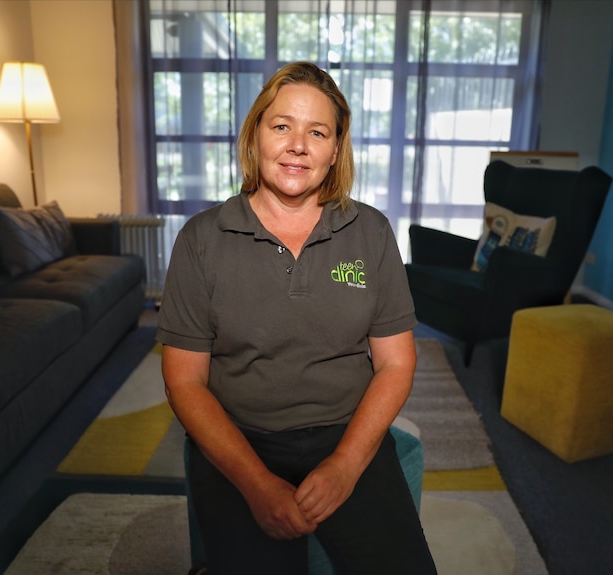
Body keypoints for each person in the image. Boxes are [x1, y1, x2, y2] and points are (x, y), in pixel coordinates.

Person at [157, 61, 437, 575]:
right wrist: (256, 484)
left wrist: (347, 467)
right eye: (282, 125)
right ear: (255, 134)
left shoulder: (370, 233)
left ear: (335, 151)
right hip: (241, 438)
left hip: (345, 433)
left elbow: (396, 364)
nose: (297, 145)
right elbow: (184, 381)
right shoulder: (200, 239)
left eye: (317, 132)